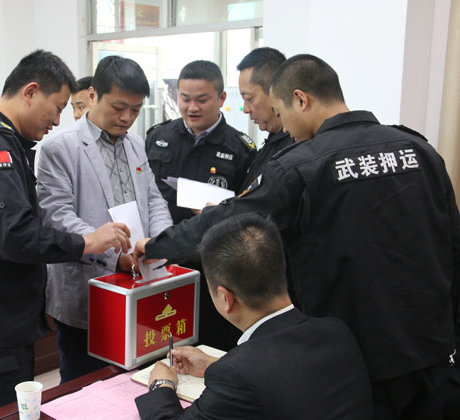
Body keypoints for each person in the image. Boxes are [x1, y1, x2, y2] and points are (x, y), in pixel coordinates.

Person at [134, 54, 460, 420]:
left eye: (280, 111)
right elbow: (452, 247)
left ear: (301, 100)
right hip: (433, 353)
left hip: (359, 358)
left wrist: (155, 245)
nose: (285, 128)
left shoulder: (301, 165)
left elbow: (231, 221)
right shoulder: (419, 150)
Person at [0, 50, 131, 420]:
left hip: (1, 326)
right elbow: (14, 236)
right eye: (57, 108)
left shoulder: (6, 142)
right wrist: (86, 242)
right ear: (31, 92)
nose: (57, 120)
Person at [135, 213, 373, 419]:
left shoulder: (238, 374)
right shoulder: (337, 332)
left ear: (226, 298)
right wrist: (213, 366)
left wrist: (161, 386)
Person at [37, 55, 172, 383]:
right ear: (93, 94)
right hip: (87, 287)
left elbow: (153, 199)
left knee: (135, 378)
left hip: (139, 281)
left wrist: (162, 242)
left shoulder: (136, 143)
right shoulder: (59, 147)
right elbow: (57, 217)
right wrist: (115, 253)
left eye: (135, 110)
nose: (127, 118)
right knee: (84, 383)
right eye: (119, 107)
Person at [146, 59, 256, 225]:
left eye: (202, 100)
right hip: (161, 234)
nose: (192, 108)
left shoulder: (240, 149)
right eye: (185, 99)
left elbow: (246, 210)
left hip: (212, 237)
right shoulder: (158, 136)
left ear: (222, 98)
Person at [236, 47, 294, 192]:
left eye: (249, 99)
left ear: (275, 91)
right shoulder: (272, 142)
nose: (246, 109)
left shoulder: (295, 149)